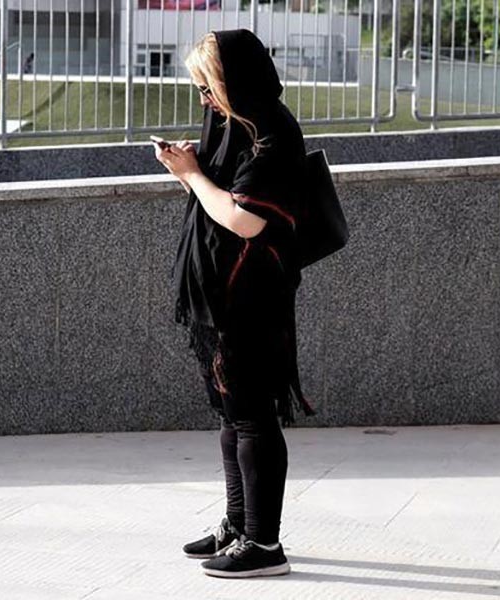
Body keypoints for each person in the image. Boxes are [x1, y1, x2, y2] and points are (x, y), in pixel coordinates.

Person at [152, 28, 316, 579]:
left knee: (254, 418)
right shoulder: (232, 125)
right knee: (231, 413)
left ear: (234, 80)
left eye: (208, 86)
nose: (203, 99)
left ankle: (264, 545)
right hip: (220, 296)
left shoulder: (271, 132)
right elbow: (219, 198)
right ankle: (239, 524)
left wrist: (192, 174)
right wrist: (194, 168)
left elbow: (244, 217)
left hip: (253, 296)